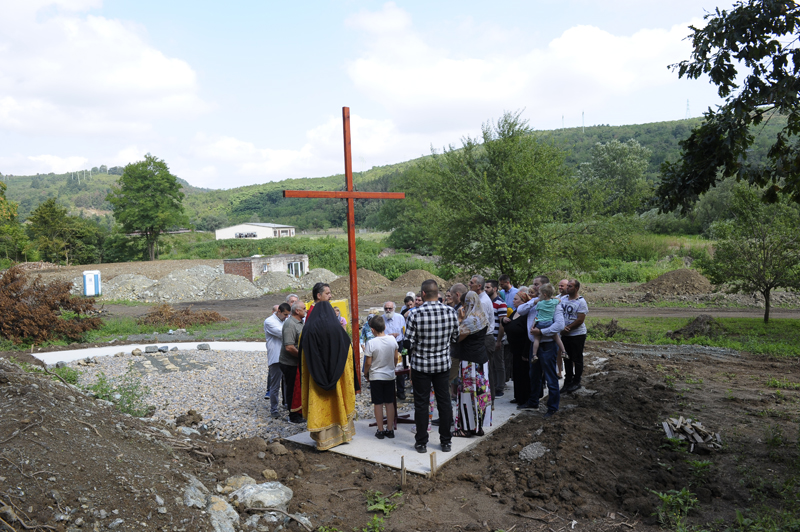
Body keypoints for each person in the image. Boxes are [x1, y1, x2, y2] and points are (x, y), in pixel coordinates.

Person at [406, 279, 459, 454]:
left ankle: (421, 442)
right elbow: (455, 338)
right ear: (438, 293)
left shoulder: (414, 314)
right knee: (444, 402)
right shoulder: (450, 312)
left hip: (421, 365)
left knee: (421, 404)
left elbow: (408, 342)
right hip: (442, 365)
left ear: (423, 294)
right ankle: (446, 441)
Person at [300, 300, 360, 450]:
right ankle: (342, 435)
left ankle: (323, 440)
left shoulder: (307, 330)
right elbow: (348, 354)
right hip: (338, 378)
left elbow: (303, 357)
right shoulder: (338, 330)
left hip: (315, 378)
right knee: (338, 402)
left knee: (320, 406)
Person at [516, 278, 565, 418]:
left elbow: (560, 325)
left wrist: (541, 332)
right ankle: (533, 401)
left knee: (550, 376)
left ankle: (553, 407)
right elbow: (520, 310)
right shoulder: (535, 302)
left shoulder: (555, 304)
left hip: (547, 344)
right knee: (534, 375)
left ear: (544, 288)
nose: (534, 287)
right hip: (534, 345)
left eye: (537, 285)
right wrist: (534, 301)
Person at [452, 291, 491, 438]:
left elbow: (456, 337)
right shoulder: (483, 317)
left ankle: (465, 428)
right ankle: (478, 427)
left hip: (469, 362)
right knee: (481, 394)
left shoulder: (469, 321)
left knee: (467, 394)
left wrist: (459, 320)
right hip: (482, 360)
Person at [362, 315, 400, 439]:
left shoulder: (371, 343)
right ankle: (390, 429)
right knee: (389, 402)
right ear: (385, 327)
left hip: (376, 376)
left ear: (372, 330)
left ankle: (380, 429)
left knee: (378, 403)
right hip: (389, 375)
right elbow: (396, 357)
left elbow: (368, 363)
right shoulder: (392, 340)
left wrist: (366, 373)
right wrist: (392, 367)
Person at [469, 275, 498, 401]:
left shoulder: (483, 301)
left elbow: (482, 324)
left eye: (472, 283)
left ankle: (489, 400)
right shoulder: (479, 299)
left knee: (486, 369)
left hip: (485, 339)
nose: (469, 285)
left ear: (479, 286)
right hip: (483, 338)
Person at [502, 291, 532, 404]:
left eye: (516, 299)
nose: (513, 301)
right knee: (517, 374)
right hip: (514, 349)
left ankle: (525, 398)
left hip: (522, 349)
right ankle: (518, 396)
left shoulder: (526, 315)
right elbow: (509, 325)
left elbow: (528, 335)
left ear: (523, 301)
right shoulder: (515, 312)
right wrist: (503, 321)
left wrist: (525, 352)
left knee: (524, 374)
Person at [529, 284, 567, 372]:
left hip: (540, 323)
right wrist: (552, 297)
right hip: (549, 322)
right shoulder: (554, 302)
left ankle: (534, 355)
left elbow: (537, 312)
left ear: (544, 294)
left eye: (540, 294)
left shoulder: (540, 303)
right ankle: (563, 351)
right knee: (556, 337)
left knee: (536, 339)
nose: (538, 296)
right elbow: (559, 300)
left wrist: (533, 325)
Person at [561, 279, 588, 393]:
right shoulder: (563, 299)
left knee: (577, 358)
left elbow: (580, 320)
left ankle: (576, 381)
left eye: (570, 286)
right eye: (567, 286)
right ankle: (567, 381)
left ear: (576, 288)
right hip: (564, 334)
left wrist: (568, 328)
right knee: (567, 358)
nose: (567, 288)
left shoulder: (581, 302)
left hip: (577, 334)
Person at [281, 302, 306, 423]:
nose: (306, 310)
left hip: (297, 362)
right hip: (290, 363)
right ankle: (293, 415)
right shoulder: (290, 324)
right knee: (292, 388)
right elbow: (289, 347)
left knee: (299, 388)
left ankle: (299, 411)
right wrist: (303, 357)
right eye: (304, 309)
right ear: (297, 311)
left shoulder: (300, 322)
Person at [264, 303, 290, 418]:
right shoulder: (269, 321)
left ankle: (287, 404)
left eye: (288, 315)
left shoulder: (285, 320)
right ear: (278, 311)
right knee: (275, 385)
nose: (286, 317)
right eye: (285, 314)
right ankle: (273, 409)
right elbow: (283, 333)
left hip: (286, 357)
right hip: (276, 357)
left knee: (287, 382)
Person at [485, 280, 507, 397]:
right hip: (488, 338)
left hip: (496, 338)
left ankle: (500, 387)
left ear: (495, 289)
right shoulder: (486, 302)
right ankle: (492, 385)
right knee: (490, 364)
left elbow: (502, 323)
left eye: (488, 287)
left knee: (499, 364)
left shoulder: (500, 303)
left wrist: (499, 340)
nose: (485, 289)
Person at [382, 301, 407, 400]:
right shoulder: (381, 319)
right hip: (386, 345)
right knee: (387, 368)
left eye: (390, 308)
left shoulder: (400, 317)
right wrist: (388, 336)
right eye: (386, 308)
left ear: (394, 309)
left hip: (399, 344)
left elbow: (404, 331)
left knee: (400, 369)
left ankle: (401, 391)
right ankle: (389, 392)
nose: (388, 310)